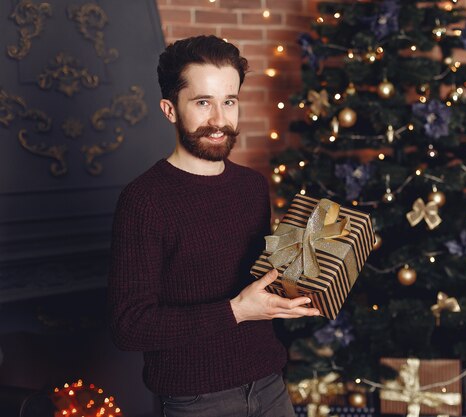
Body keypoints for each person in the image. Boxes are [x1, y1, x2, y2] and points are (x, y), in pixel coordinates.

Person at [107, 35, 320, 417]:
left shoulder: (253, 186)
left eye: (229, 102)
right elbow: (129, 326)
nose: (220, 120)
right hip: (196, 400)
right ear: (170, 110)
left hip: (270, 384)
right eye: (203, 102)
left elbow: (257, 282)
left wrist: (307, 289)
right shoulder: (143, 200)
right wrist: (235, 311)